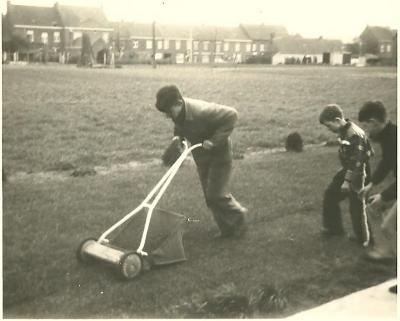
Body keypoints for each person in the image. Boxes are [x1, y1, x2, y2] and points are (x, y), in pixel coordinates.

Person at [155, 85, 247, 238]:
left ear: (179, 102)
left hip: (219, 154)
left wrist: (214, 140)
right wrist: (178, 137)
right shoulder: (178, 113)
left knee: (216, 194)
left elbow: (232, 115)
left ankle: (239, 216)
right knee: (209, 196)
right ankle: (227, 230)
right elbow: (179, 125)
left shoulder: (202, 111)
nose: (168, 116)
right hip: (201, 156)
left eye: (169, 112)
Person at [319, 104, 373, 246]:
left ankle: (365, 239)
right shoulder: (344, 130)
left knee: (357, 205)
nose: (329, 129)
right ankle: (334, 228)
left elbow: (357, 162)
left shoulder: (354, 134)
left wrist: (347, 181)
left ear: (337, 120)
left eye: (329, 126)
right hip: (349, 168)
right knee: (331, 194)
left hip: (360, 172)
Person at [358, 101, 397, 262]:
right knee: (373, 208)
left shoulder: (395, 138)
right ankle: (385, 252)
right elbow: (387, 162)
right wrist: (371, 184)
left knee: (388, 225)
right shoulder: (388, 136)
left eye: (366, 127)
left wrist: (385, 195)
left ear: (374, 122)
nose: (366, 132)